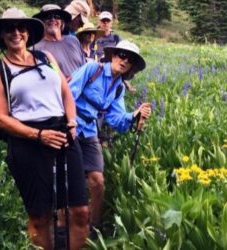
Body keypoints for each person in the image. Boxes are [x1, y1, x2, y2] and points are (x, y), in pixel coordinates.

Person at [0, 8, 89, 249]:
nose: (16, 33)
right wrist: (38, 135)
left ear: (28, 33)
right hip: (28, 140)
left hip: (62, 133)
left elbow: (66, 93)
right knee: (40, 216)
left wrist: (72, 122)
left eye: (21, 28)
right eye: (9, 28)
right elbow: (0, 117)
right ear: (2, 35)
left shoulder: (46, 58)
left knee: (79, 210)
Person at [68, 40, 151, 235]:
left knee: (98, 182)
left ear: (131, 67)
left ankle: (93, 227)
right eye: (122, 55)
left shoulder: (118, 88)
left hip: (89, 131)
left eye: (129, 60)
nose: (124, 61)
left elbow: (117, 120)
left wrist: (135, 115)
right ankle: (67, 227)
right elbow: (68, 94)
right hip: (70, 127)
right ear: (113, 56)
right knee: (71, 180)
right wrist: (68, 123)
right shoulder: (92, 69)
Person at [33, 4, 86, 81]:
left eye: (57, 16)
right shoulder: (36, 48)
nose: (53, 19)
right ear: (42, 22)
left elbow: (84, 66)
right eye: (48, 16)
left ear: (62, 22)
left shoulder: (73, 40)